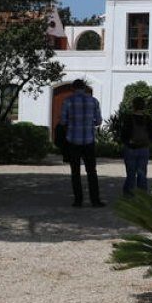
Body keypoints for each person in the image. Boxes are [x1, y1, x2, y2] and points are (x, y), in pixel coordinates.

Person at [59, 79, 105, 207]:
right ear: (84, 88)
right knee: (92, 171)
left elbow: (63, 121)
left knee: (75, 172)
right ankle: (95, 200)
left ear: (73, 88)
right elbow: (98, 121)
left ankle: (78, 200)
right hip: (89, 141)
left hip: (73, 140)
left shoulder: (68, 101)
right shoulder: (94, 101)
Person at [120, 98, 152, 196]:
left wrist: (127, 142)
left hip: (130, 149)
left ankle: (128, 195)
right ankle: (142, 196)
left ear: (133, 106)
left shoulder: (128, 119)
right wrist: (151, 141)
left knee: (131, 174)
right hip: (144, 148)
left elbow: (123, 134)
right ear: (144, 106)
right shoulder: (148, 119)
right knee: (142, 174)